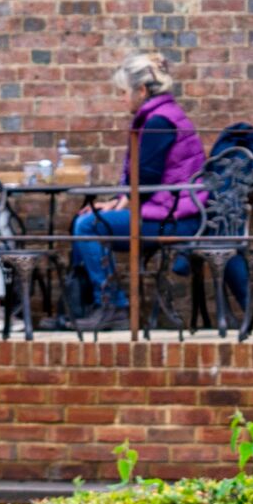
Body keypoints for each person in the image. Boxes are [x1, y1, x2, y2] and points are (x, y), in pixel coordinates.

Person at [72, 52, 209, 319]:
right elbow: (143, 180)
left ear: (142, 90)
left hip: (172, 222)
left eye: (123, 92)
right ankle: (85, 308)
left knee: (87, 226)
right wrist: (115, 203)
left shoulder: (159, 122)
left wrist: (116, 204)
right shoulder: (162, 115)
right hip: (170, 214)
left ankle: (113, 306)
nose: (121, 98)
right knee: (85, 219)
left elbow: (145, 179)